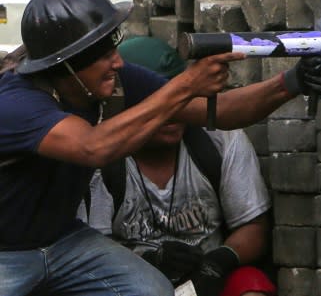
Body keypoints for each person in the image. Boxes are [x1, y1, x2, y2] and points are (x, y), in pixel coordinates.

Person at [0, 0, 321, 296]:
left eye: (112, 47)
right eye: (102, 54)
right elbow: (93, 146)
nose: (117, 62)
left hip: (62, 240)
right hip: (5, 252)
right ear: (67, 64)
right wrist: (187, 83)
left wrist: (290, 82)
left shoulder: (113, 81)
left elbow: (220, 111)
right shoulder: (16, 103)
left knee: (152, 290)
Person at [78, 36, 276, 296]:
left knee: (251, 286)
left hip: (208, 280)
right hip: (129, 280)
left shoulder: (218, 140)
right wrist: (151, 260)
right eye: (159, 105)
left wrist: (218, 262)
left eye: (181, 102)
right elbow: (91, 252)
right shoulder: (101, 158)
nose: (173, 115)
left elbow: (253, 228)